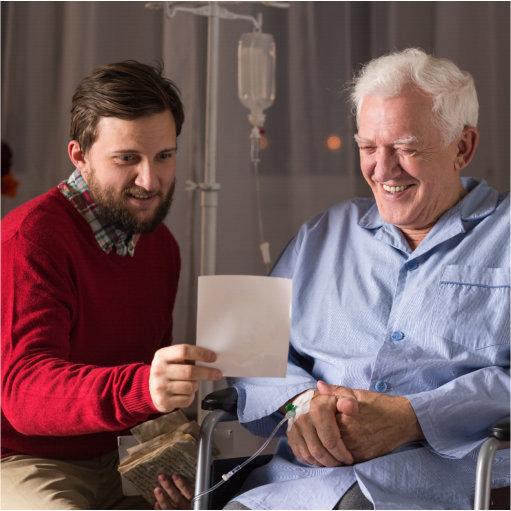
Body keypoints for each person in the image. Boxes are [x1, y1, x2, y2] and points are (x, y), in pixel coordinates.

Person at [222, 48, 510, 510]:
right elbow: (244, 349)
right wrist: (299, 403)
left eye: (406, 148)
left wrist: (415, 416)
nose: (383, 168)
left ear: (463, 147)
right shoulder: (321, 233)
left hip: (450, 479)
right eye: (368, 147)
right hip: (302, 480)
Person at [1, 60, 222, 510]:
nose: (150, 180)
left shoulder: (162, 247)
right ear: (79, 156)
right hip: (26, 457)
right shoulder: (30, 240)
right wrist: (143, 387)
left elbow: (150, 379)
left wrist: (172, 459)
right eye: (127, 159)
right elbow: (23, 392)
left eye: (164, 156)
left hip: (124, 455)